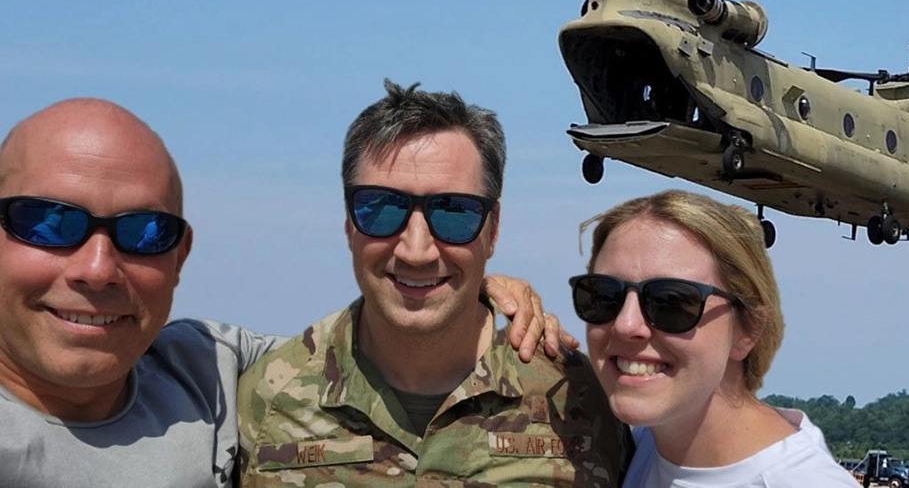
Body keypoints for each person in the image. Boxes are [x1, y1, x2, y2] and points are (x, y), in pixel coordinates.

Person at [0, 98, 556, 488]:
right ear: (348, 223)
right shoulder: (245, 393)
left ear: (179, 256)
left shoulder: (208, 374)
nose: (97, 269)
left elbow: (373, 343)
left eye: (144, 233)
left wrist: (471, 289)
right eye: (47, 223)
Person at [237, 81, 629, 486]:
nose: (416, 250)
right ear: (349, 224)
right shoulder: (266, 398)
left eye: (454, 213)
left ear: (492, 230)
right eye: (382, 209)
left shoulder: (580, 400)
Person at [572, 189, 861, 487]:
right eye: (603, 295)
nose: (625, 324)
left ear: (747, 329)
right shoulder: (643, 444)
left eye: (671, 301)